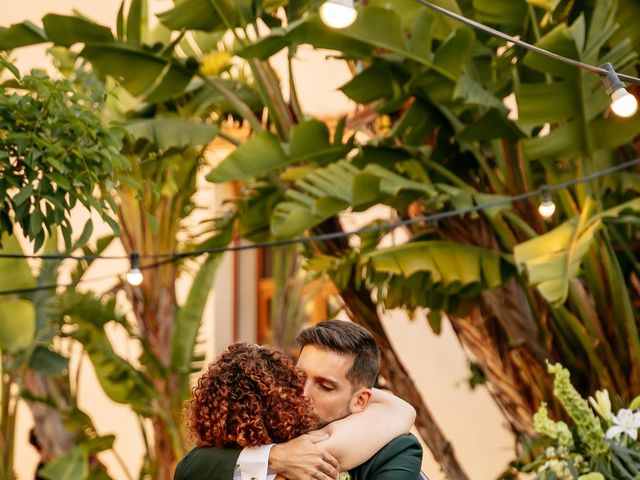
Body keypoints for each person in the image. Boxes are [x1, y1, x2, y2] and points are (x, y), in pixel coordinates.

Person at [175, 320, 424, 480]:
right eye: (298, 376)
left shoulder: (396, 449)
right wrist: (276, 457)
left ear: (360, 400)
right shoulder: (276, 430)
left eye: (325, 386)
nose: (303, 393)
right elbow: (190, 469)